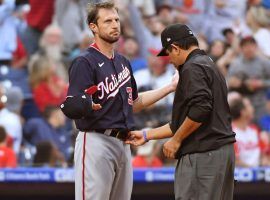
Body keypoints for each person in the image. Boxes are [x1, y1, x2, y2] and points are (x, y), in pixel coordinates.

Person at [60, 2, 178, 200]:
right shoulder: (85, 62)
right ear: (93, 27)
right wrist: (84, 105)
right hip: (96, 139)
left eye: (116, 20)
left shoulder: (123, 61)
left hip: (124, 143)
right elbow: (70, 105)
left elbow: (135, 102)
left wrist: (170, 88)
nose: (115, 24)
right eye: (107, 21)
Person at [126, 23, 236, 200]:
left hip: (204, 154)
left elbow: (200, 110)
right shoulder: (209, 64)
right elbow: (184, 121)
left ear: (175, 48)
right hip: (218, 152)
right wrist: (147, 135)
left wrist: (176, 140)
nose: (168, 59)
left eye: (168, 52)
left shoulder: (192, 67)